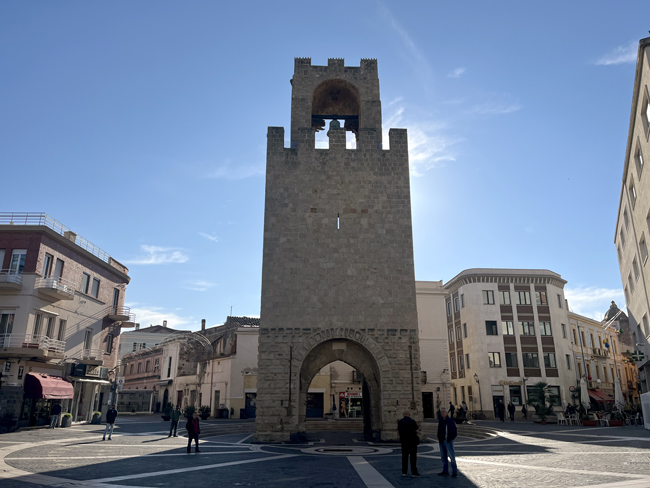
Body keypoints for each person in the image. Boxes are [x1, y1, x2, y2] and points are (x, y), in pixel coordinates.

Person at [397, 410, 420, 478]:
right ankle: (414, 472)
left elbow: (399, 431)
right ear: (409, 414)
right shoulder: (412, 421)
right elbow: (416, 429)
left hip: (404, 442)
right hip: (412, 442)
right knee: (413, 457)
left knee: (404, 457)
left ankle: (404, 472)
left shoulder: (400, 422)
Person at [438, 407, 458, 478]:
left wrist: (450, 439)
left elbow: (454, 431)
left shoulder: (450, 421)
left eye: (443, 412)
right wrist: (439, 438)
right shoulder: (441, 420)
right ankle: (445, 471)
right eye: (441, 412)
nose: (442, 413)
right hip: (441, 441)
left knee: (451, 456)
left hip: (448, 441)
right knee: (443, 457)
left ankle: (454, 472)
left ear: (447, 413)